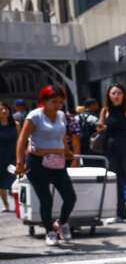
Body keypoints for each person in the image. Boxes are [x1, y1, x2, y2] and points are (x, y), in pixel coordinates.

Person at [14, 86, 76, 245]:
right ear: (44, 101)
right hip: (37, 163)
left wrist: (67, 151)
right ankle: (49, 231)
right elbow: (22, 140)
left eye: (60, 102)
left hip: (57, 161)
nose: (58, 105)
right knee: (46, 199)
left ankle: (61, 223)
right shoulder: (35, 116)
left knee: (70, 197)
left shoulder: (62, 115)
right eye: (54, 102)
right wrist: (20, 162)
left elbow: (61, 136)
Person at [97, 83, 126, 222]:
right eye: (113, 93)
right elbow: (100, 127)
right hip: (111, 150)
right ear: (109, 95)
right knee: (116, 182)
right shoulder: (105, 110)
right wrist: (99, 127)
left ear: (124, 95)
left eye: (119, 93)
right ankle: (121, 214)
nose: (116, 96)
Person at [0, 102, 17, 212]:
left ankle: (19, 204)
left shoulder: (16, 124)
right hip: (1, 157)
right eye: (1, 110)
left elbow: (21, 141)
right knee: (1, 183)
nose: (4, 111)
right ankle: (6, 204)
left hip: (13, 156)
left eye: (6, 109)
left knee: (15, 181)